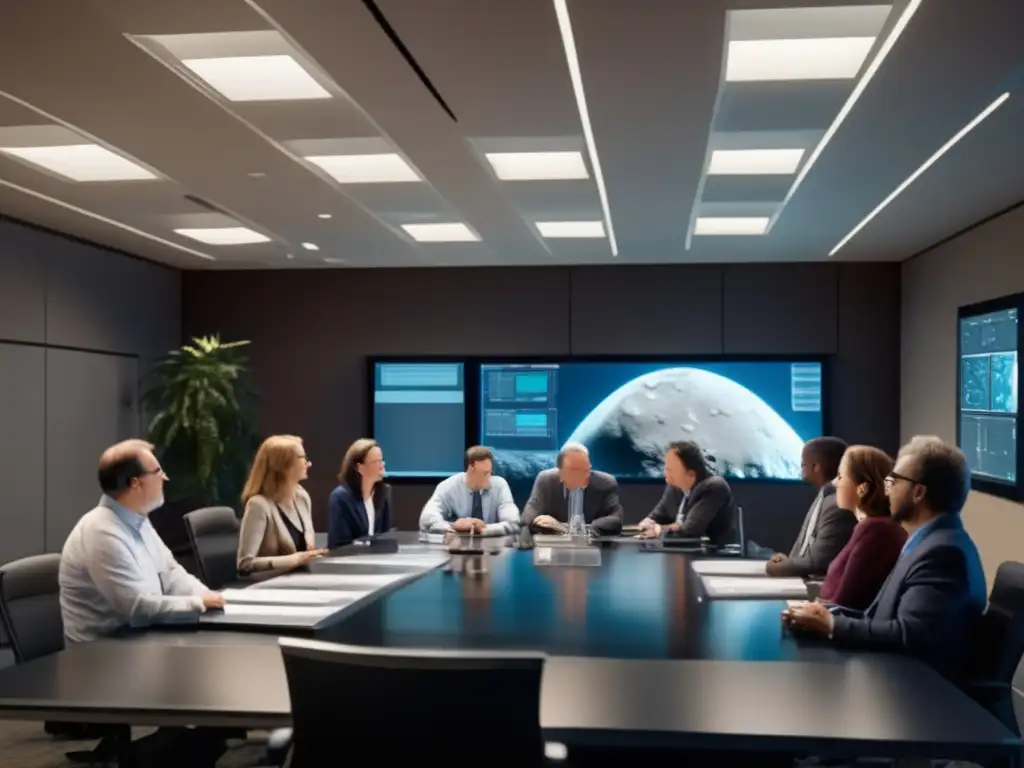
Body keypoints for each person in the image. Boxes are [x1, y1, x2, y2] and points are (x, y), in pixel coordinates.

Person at [783, 436, 987, 682]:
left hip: (918, 697)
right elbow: (881, 617)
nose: (886, 487)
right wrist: (824, 613)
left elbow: (909, 634)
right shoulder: (928, 542)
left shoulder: (943, 553)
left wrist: (831, 624)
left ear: (918, 493)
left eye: (894, 481)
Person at [60, 439, 225, 644]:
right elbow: (138, 608)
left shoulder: (138, 519)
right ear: (135, 483)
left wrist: (206, 595)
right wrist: (197, 603)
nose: (165, 477)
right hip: (102, 655)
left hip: (140, 640)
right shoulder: (101, 533)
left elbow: (170, 571)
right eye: (157, 472)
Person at [817, 445, 907, 610]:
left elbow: (846, 603)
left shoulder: (875, 530)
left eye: (840, 476)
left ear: (862, 488)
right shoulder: (879, 527)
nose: (835, 482)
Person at [765, 437, 856, 577]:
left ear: (816, 466)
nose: (801, 468)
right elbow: (805, 556)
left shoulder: (837, 504)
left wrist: (773, 568)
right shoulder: (825, 496)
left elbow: (817, 563)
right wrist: (787, 562)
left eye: (803, 464)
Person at [237, 435, 327, 574]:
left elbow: (307, 545)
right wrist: (293, 560)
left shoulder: (302, 497)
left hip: (301, 579)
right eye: (302, 457)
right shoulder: (258, 506)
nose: (308, 463)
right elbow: (245, 563)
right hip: (271, 586)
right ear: (283, 465)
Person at [637, 441, 737, 546]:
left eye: (671, 468)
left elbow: (690, 531)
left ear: (690, 473)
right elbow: (657, 516)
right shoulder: (674, 487)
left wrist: (658, 530)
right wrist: (647, 523)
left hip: (714, 556)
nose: (666, 470)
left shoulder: (714, 487)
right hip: (679, 553)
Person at [520, 443, 623, 536]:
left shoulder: (606, 483)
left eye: (586, 470)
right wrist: (526, 527)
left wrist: (562, 527)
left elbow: (615, 520)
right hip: (555, 548)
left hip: (592, 547)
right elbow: (531, 512)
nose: (583, 476)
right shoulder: (546, 481)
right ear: (560, 472)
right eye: (575, 471)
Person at [419, 446, 520, 536]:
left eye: (490, 472)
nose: (488, 478)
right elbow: (427, 520)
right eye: (484, 473)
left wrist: (485, 529)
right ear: (470, 469)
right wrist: (454, 527)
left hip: (491, 548)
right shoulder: (448, 486)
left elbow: (514, 523)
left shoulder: (499, 485)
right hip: (456, 546)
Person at [328, 438, 392, 547]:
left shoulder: (383, 493)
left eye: (382, 460)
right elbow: (338, 544)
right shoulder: (341, 498)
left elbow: (384, 535)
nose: (382, 465)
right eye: (376, 462)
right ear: (359, 468)